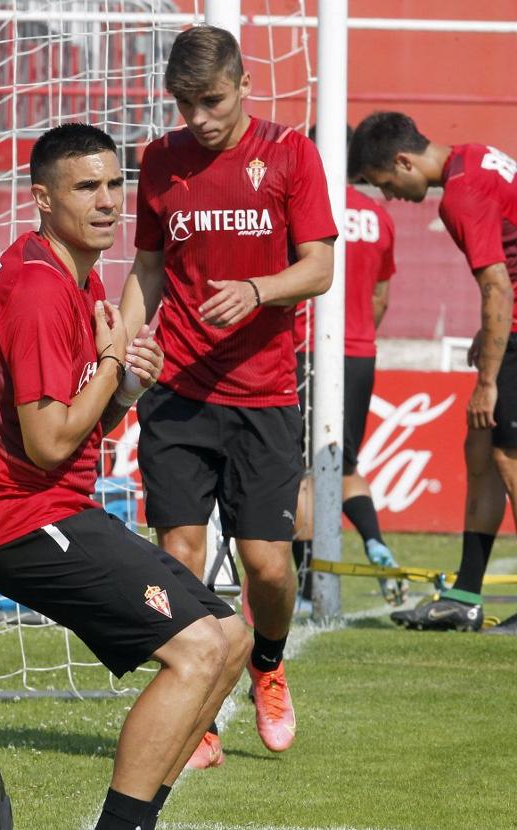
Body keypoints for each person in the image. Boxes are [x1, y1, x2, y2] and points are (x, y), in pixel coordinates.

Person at [0, 123, 250, 830]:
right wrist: (116, 363)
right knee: (198, 651)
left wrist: (120, 394)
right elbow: (48, 442)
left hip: (61, 510)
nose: (107, 202)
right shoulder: (37, 290)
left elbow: (77, 431)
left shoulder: (73, 279)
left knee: (234, 638)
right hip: (27, 525)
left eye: (115, 185)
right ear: (42, 199)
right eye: (86, 187)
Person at [120, 25, 337, 767]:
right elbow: (148, 267)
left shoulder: (290, 155)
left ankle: (267, 665)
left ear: (245, 85)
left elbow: (318, 270)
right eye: (185, 105)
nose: (198, 119)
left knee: (268, 565)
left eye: (210, 101)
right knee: (180, 553)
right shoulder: (160, 161)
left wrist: (257, 290)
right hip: (177, 392)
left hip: (264, 394)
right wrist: (122, 347)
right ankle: (200, 710)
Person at [349, 111, 517, 635]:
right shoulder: (475, 154)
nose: (393, 196)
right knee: (481, 445)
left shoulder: (460, 196)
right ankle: (465, 595)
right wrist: (489, 338)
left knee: (509, 457)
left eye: (387, 184)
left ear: (403, 160)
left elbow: (496, 285)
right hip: (512, 328)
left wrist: (488, 380)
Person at [292, 125, 407, 607]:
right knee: (345, 461)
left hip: (303, 348)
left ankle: (301, 586)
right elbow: (381, 295)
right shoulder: (377, 215)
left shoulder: (299, 207)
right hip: (358, 351)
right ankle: (377, 544)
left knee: (299, 470)